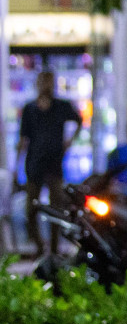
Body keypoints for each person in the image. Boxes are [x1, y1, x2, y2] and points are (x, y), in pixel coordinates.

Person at [15, 70, 82, 256]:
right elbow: (23, 138)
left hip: (54, 163)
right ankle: (39, 246)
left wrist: (69, 141)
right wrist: (16, 166)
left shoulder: (61, 106)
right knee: (31, 209)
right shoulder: (30, 109)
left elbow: (79, 120)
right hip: (34, 163)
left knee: (56, 208)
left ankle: (53, 248)